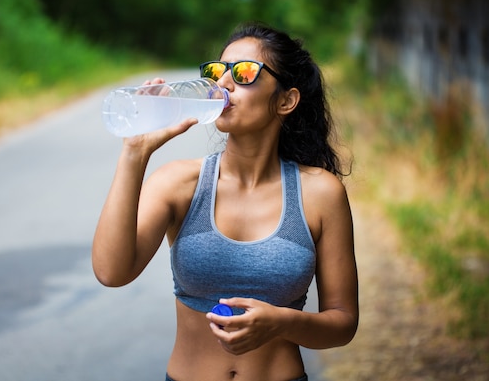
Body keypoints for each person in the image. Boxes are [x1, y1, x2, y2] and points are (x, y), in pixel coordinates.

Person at [92, 22, 358, 381]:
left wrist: (281, 322)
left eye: (244, 73)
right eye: (218, 71)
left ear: (286, 100)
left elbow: (342, 323)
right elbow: (112, 272)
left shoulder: (320, 193)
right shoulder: (180, 183)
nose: (224, 84)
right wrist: (134, 153)